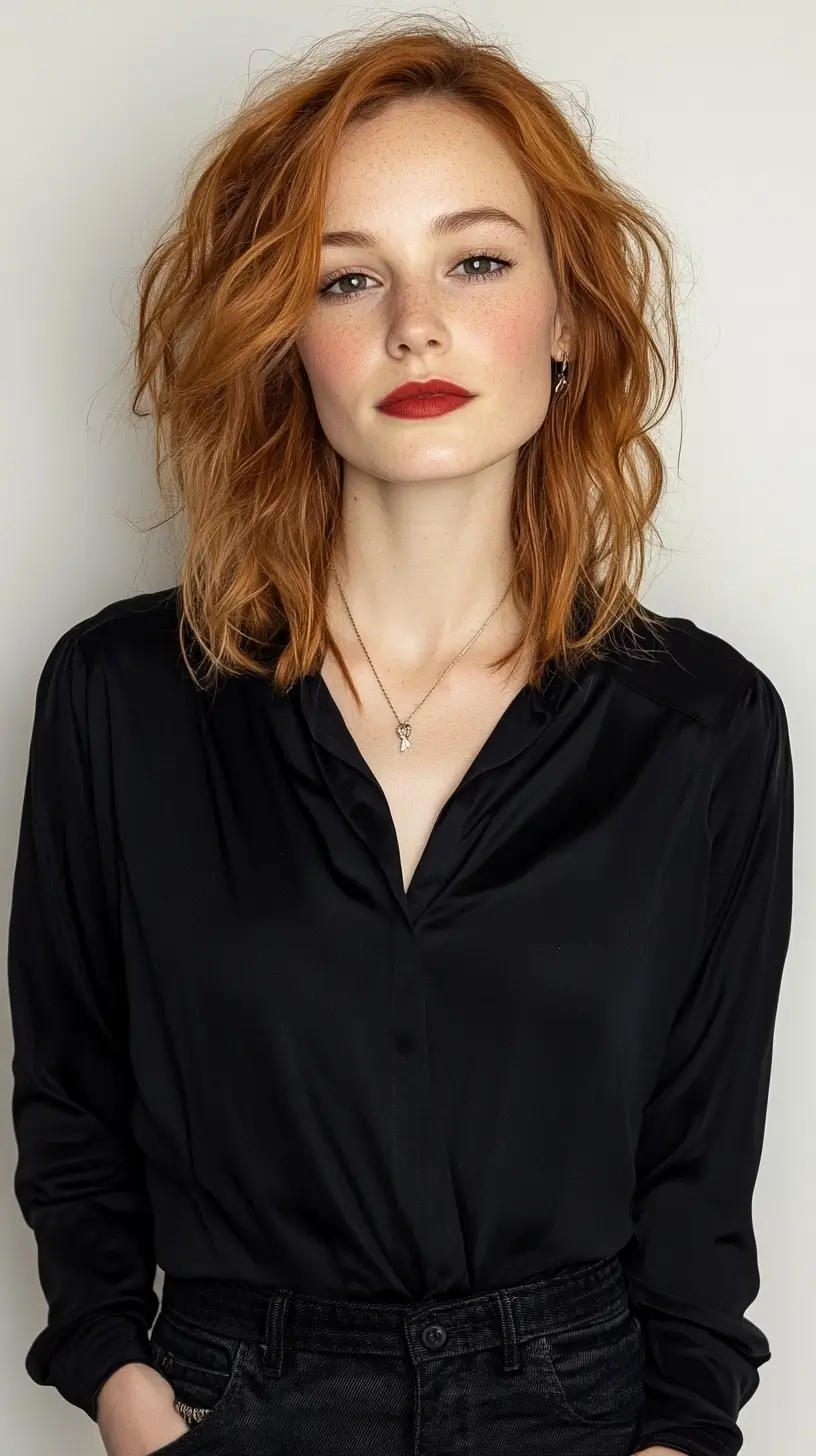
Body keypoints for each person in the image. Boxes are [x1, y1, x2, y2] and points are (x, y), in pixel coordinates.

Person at [6, 15, 794, 1456]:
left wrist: (679, 1438)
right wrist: (127, 1393)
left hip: (582, 1408)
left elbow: (698, 1171)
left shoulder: (703, 730)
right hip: (239, 1401)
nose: (413, 324)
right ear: (280, 336)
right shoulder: (122, 698)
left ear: (567, 319)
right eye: (348, 276)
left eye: (475, 261)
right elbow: (72, 1097)